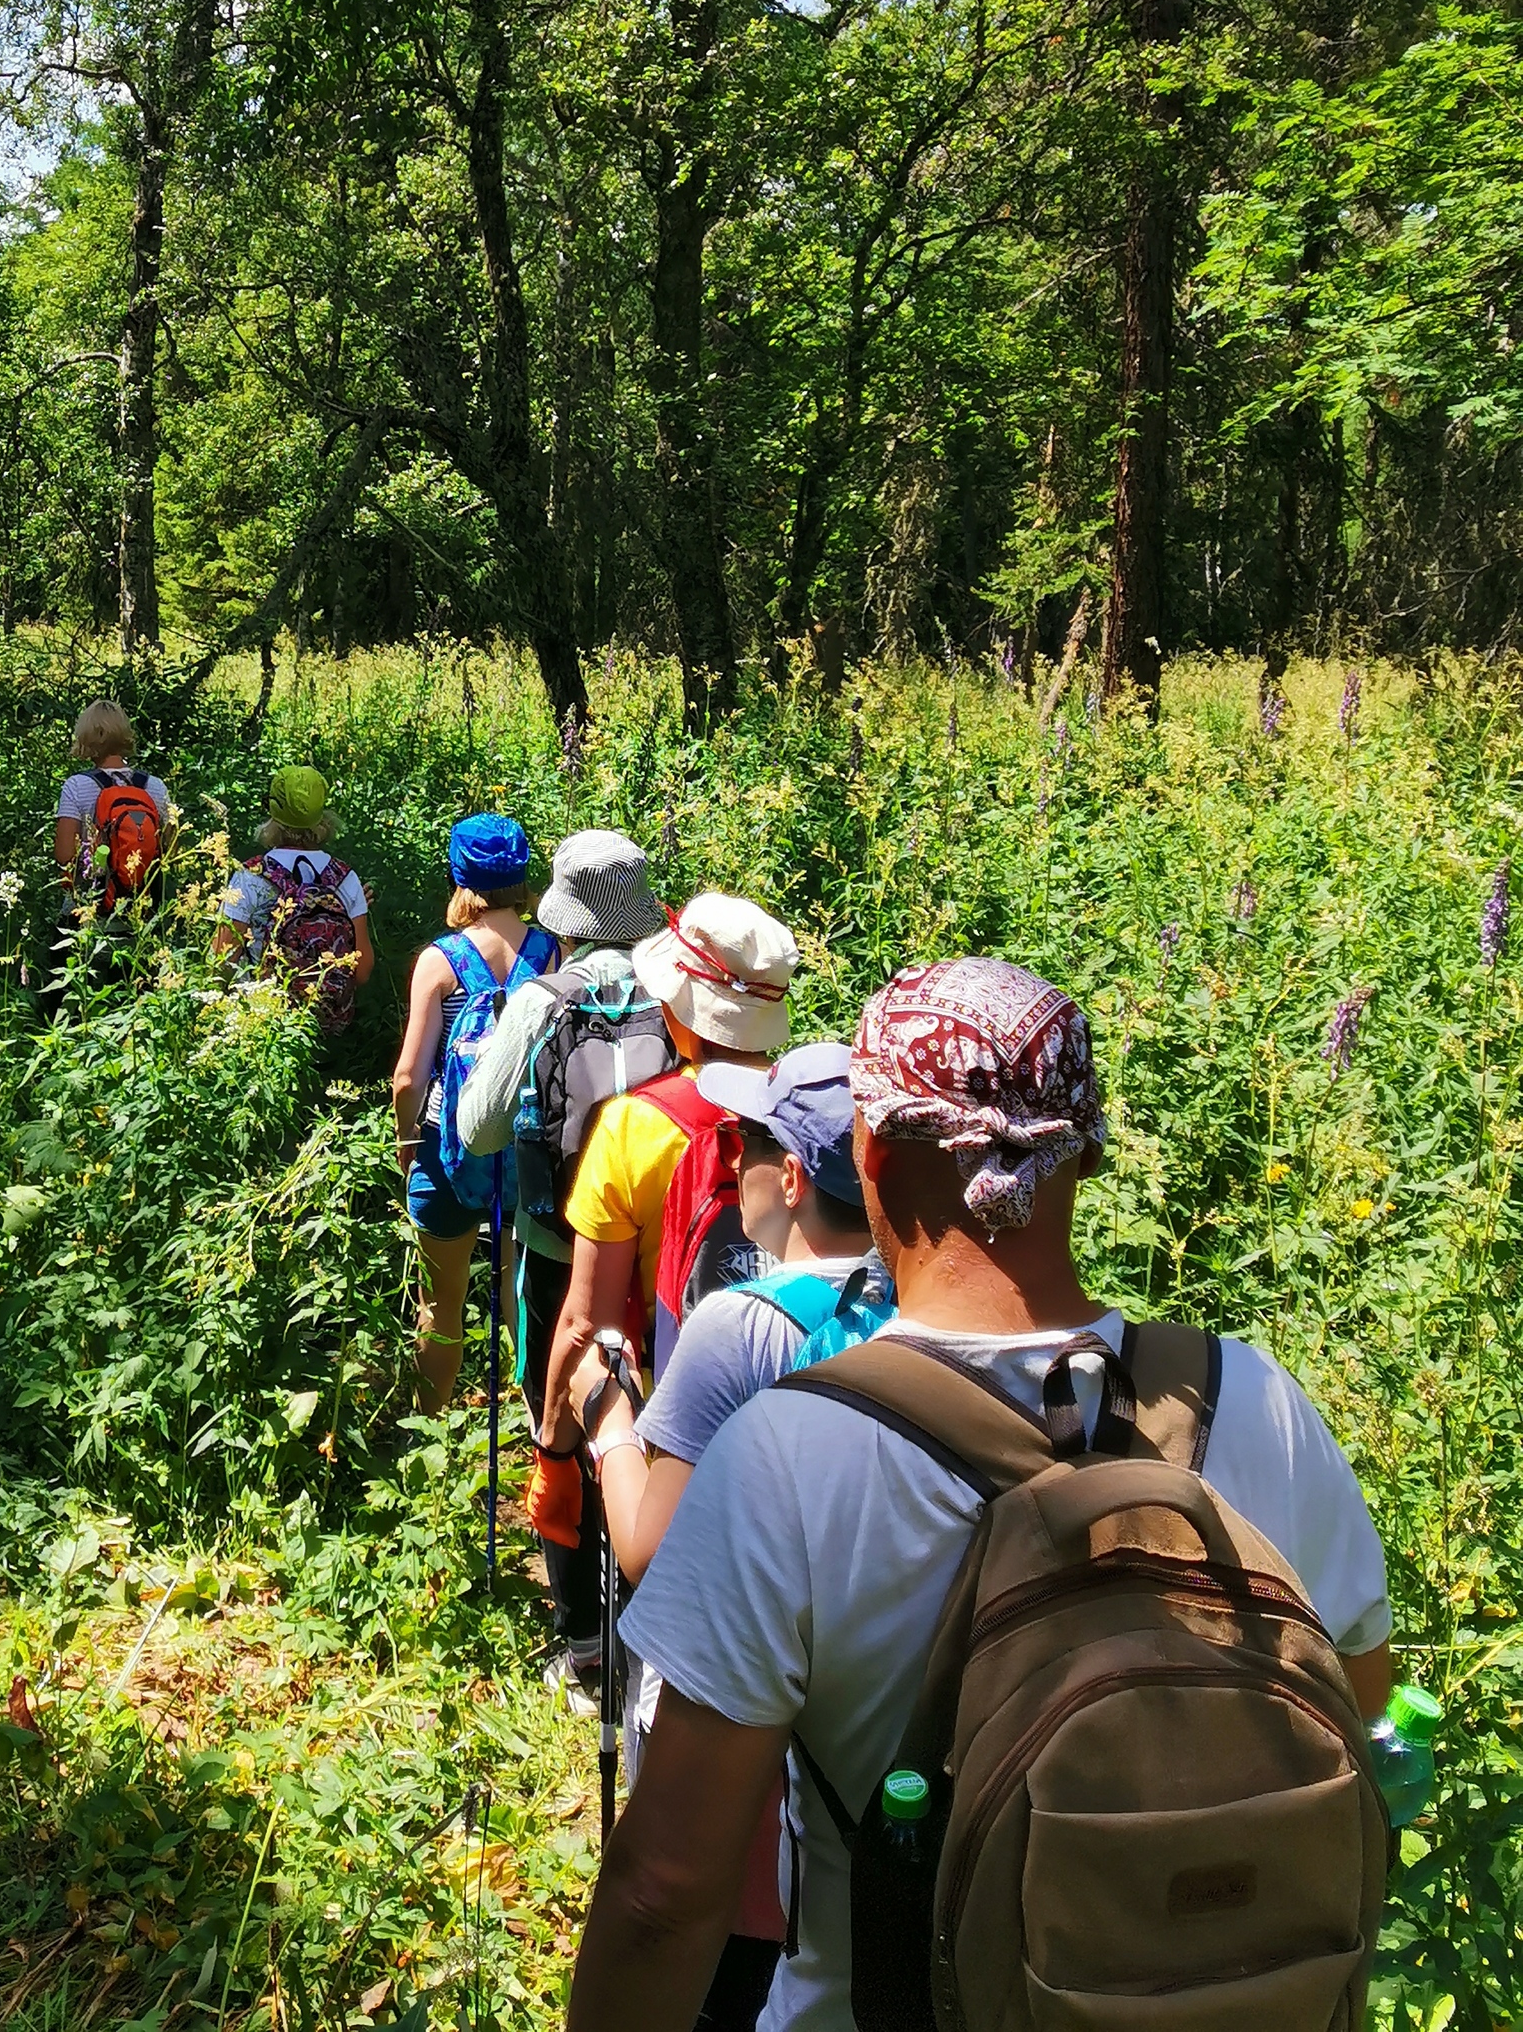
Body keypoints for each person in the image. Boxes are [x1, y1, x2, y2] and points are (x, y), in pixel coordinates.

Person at [568, 957, 1395, 2032]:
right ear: (1083, 1153)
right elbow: (1356, 1697)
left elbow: (665, 1890)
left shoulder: (788, 1453)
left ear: (866, 1153)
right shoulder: (1253, 1400)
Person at [563, 1043, 890, 2032]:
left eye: (742, 1142)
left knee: (727, 1983)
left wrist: (608, 1423)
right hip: (873, 1735)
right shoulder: (913, 1311)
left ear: (784, 1178)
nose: (729, 1158)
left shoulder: (737, 1327)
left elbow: (647, 1550)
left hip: (741, 1751)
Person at [454, 829, 668, 1707]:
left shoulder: (542, 999)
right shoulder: (678, 992)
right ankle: (653, 1636)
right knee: (656, 1434)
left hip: (555, 1258)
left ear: (565, 915)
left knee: (567, 1433)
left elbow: (478, 1129)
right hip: (661, 1261)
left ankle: (584, 1650)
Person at [535, 891, 800, 1462]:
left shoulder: (633, 1126)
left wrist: (553, 1452)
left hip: (672, 1428)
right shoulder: (814, 1112)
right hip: (796, 1419)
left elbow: (588, 1325)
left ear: (680, 1012)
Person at [390, 814, 555, 1412]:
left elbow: (410, 1074)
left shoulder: (441, 960)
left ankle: (429, 1439)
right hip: (531, 1148)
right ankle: (546, 1436)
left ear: (461, 879)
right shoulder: (553, 952)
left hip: (446, 1147)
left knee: (441, 1305)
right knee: (527, 1298)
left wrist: (407, 1141)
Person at [213, 765, 375, 1025]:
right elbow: (363, 970)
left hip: (263, 1022)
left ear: (272, 813)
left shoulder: (251, 877)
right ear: (323, 816)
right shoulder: (345, 879)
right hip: (328, 1025)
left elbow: (221, 960)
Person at [44, 699, 173, 1016]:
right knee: (135, 1017)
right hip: (141, 924)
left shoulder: (77, 786)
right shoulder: (154, 787)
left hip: (86, 922)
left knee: (73, 1014)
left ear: (86, 737)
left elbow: (64, 856)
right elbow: (169, 855)